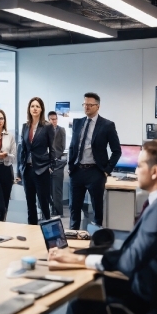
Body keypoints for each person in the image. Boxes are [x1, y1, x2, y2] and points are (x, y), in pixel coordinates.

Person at [50, 140, 157, 314]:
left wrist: (79, 260)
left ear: (155, 172)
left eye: (139, 165)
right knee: (90, 283)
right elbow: (141, 249)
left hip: (143, 298)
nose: (135, 170)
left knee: (80, 301)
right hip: (156, 288)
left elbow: (132, 259)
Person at [68, 92, 121, 229]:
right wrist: (70, 166)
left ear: (98, 106)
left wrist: (107, 170)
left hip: (95, 172)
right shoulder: (77, 123)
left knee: (97, 209)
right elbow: (73, 146)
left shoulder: (107, 125)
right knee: (74, 209)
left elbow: (117, 151)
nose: (86, 107)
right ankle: (73, 238)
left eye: (90, 105)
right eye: (85, 104)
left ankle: (96, 241)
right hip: (77, 171)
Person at [17, 97, 55, 224]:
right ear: (29, 109)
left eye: (37, 106)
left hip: (42, 169)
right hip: (27, 170)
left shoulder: (47, 126)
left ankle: (49, 231)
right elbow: (22, 150)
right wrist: (20, 170)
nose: (34, 108)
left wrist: (51, 166)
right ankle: (32, 231)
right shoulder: (25, 126)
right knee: (30, 204)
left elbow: (52, 149)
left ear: (41, 109)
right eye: (32, 106)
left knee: (44, 204)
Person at [47, 111, 66, 217]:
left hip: (57, 164)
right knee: (47, 191)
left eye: (55, 119)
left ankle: (58, 213)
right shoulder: (44, 131)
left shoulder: (61, 130)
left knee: (56, 191)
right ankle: (51, 210)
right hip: (45, 165)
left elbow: (62, 147)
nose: (54, 121)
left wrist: (53, 158)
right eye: (51, 119)